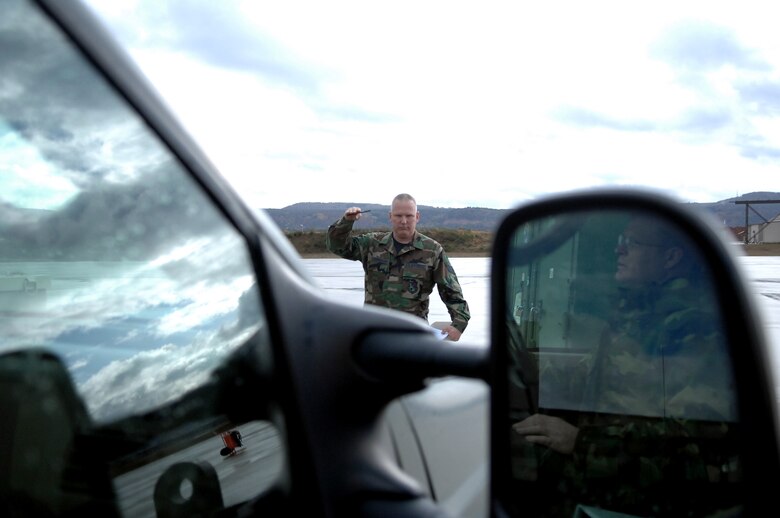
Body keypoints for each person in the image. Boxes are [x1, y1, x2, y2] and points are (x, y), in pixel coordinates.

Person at [509, 214, 739, 516]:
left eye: (632, 243)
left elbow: (692, 445)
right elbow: (590, 375)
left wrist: (580, 441)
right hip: (603, 480)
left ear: (670, 257)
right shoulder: (637, 318)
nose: (619, 250)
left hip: (646, 499)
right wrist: (519, 376)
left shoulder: (692, 329)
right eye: (621, 241)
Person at [325, 193, 470, 341]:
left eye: (409, 216)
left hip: (413, 337)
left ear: (417, 217)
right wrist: (346, 222)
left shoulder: (432, 251)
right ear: (390, 216)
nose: (404, 221)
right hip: (374, 335)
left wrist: (458, 325)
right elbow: (337, 246)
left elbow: (451, 291)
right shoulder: (372, 244)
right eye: (398, 216)